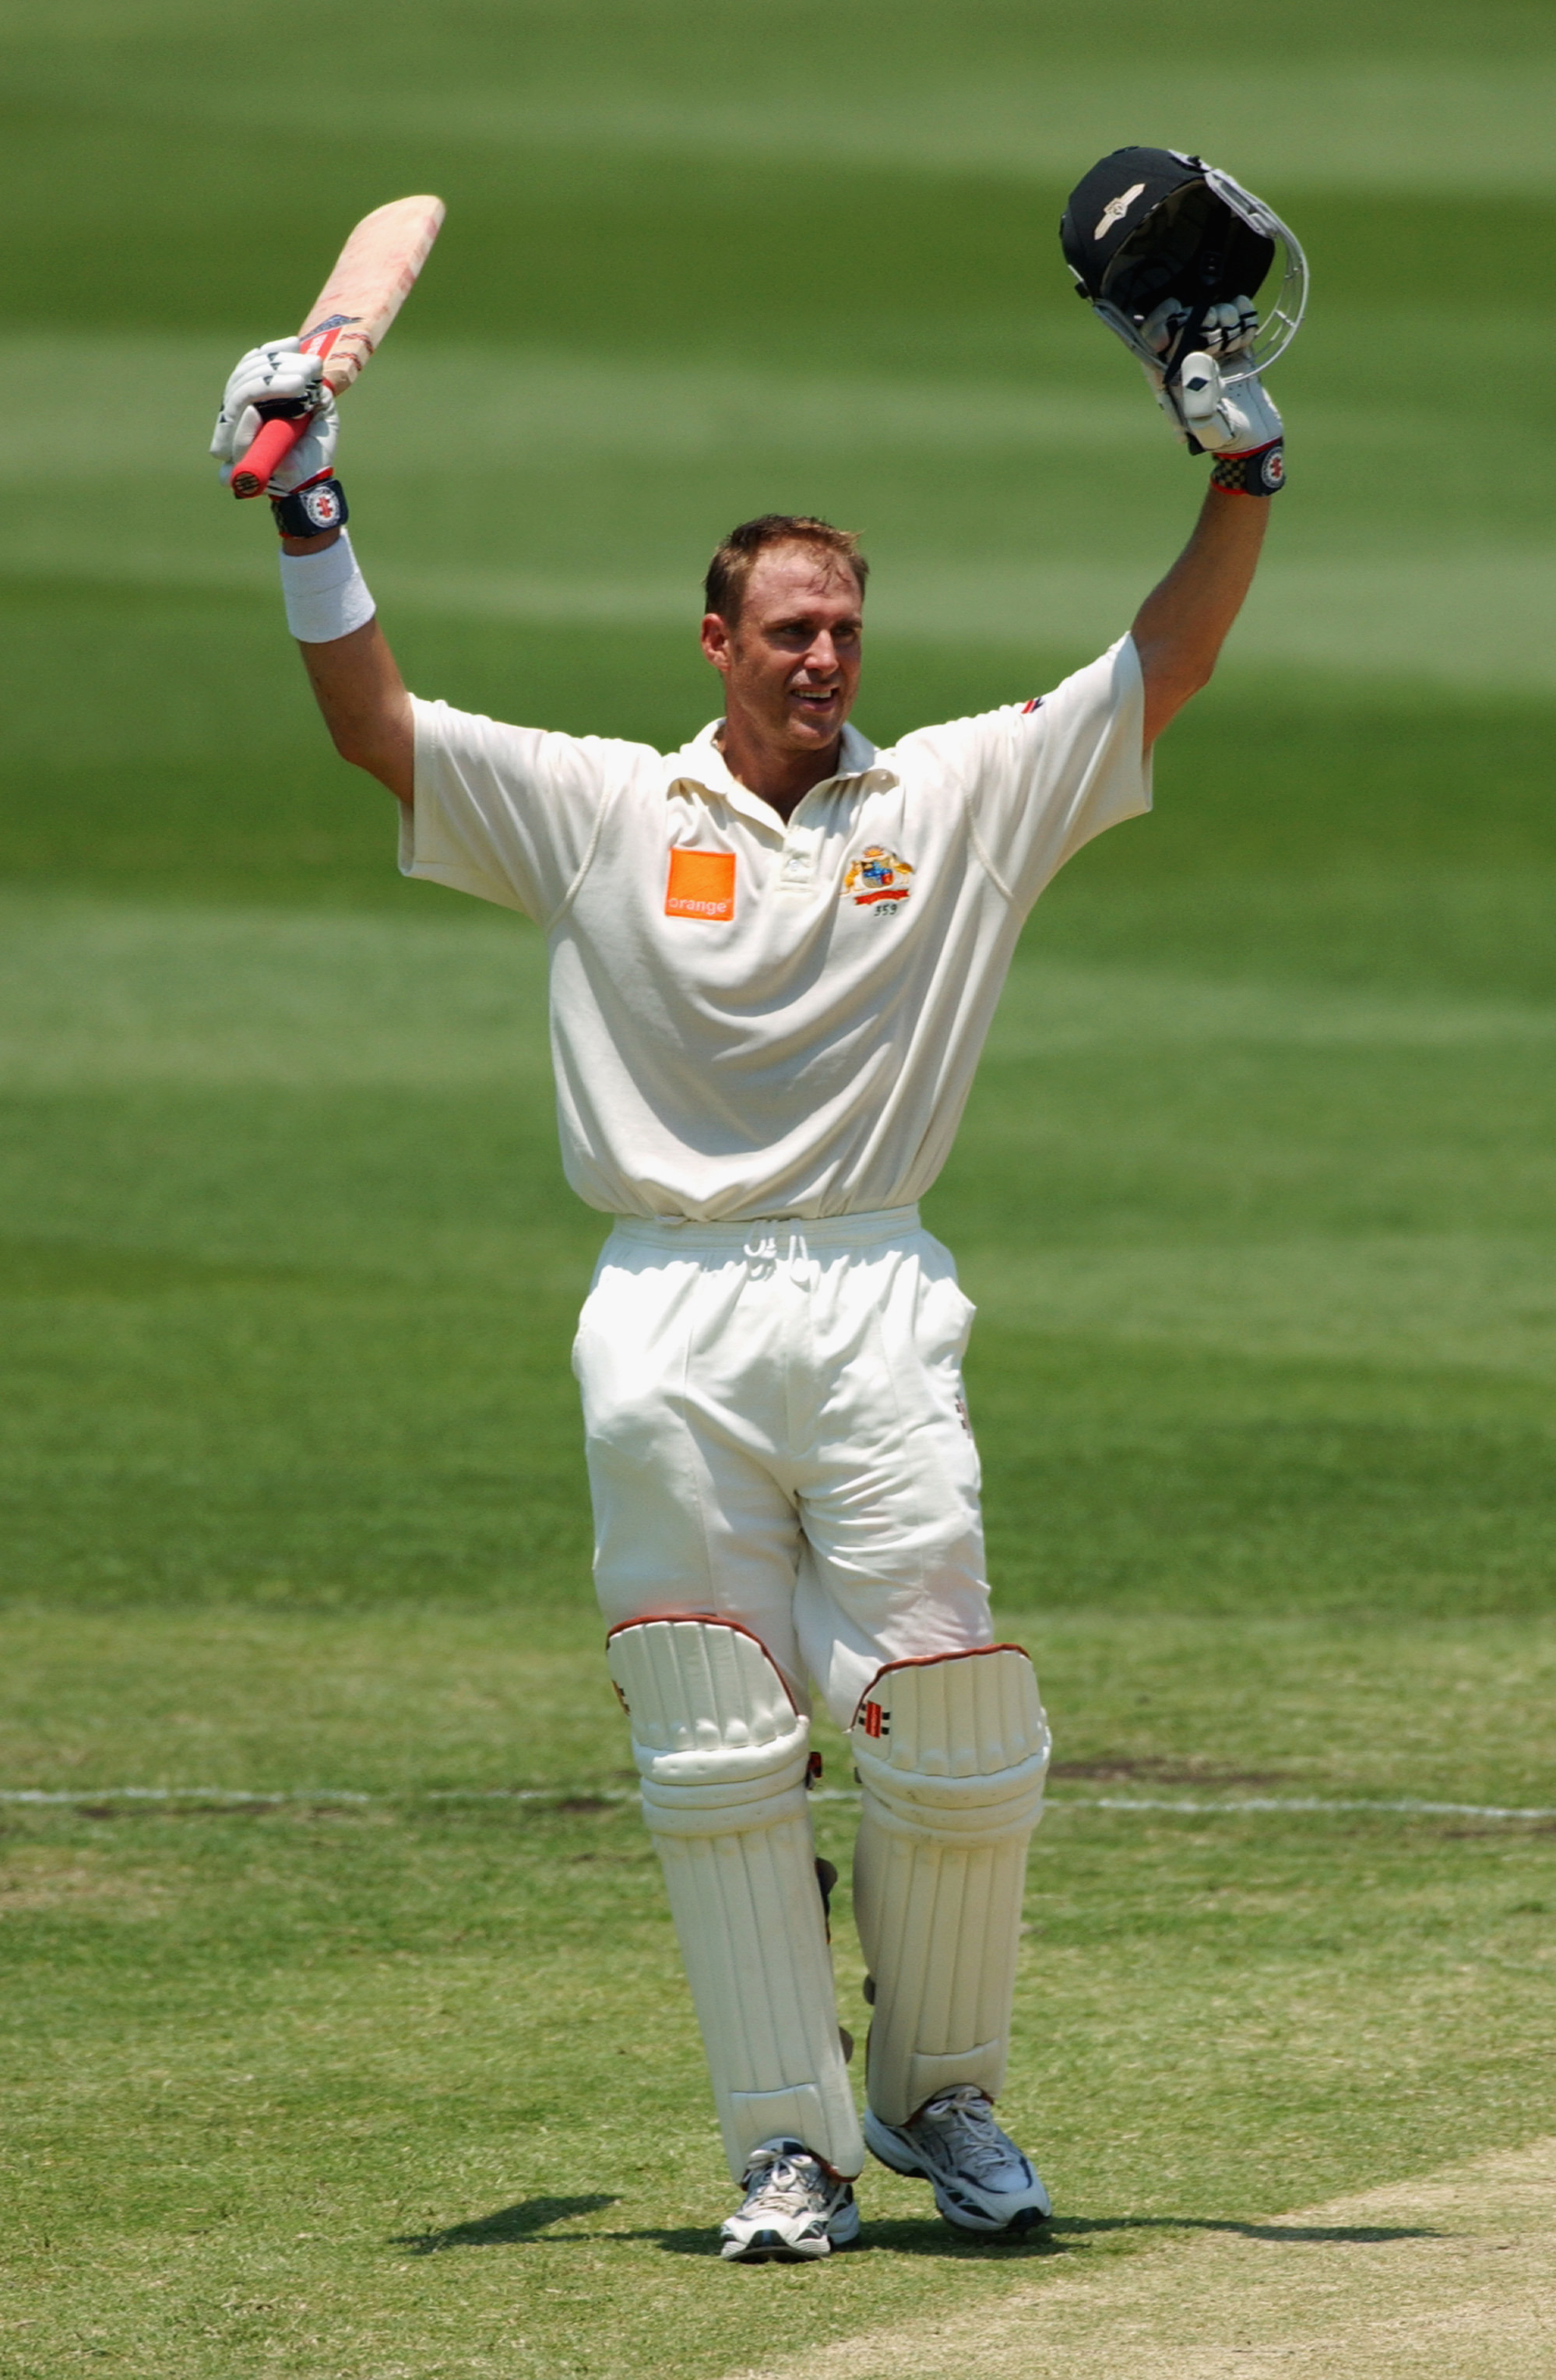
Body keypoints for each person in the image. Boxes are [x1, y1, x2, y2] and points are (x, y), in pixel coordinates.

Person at [210, 311, 1280, 2262]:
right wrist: (312, 511)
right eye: (787, 629)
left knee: (951, 1715)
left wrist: (1241, 470)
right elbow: (379, 725)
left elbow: (1168, 662)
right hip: (668, 1304)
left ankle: (943, 2100)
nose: (822, 658)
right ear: (719, 643)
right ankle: (787, 2150)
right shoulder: (607, 806)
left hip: (876, 1295)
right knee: (716, 1733)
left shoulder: (948, 799)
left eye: (845, 629)